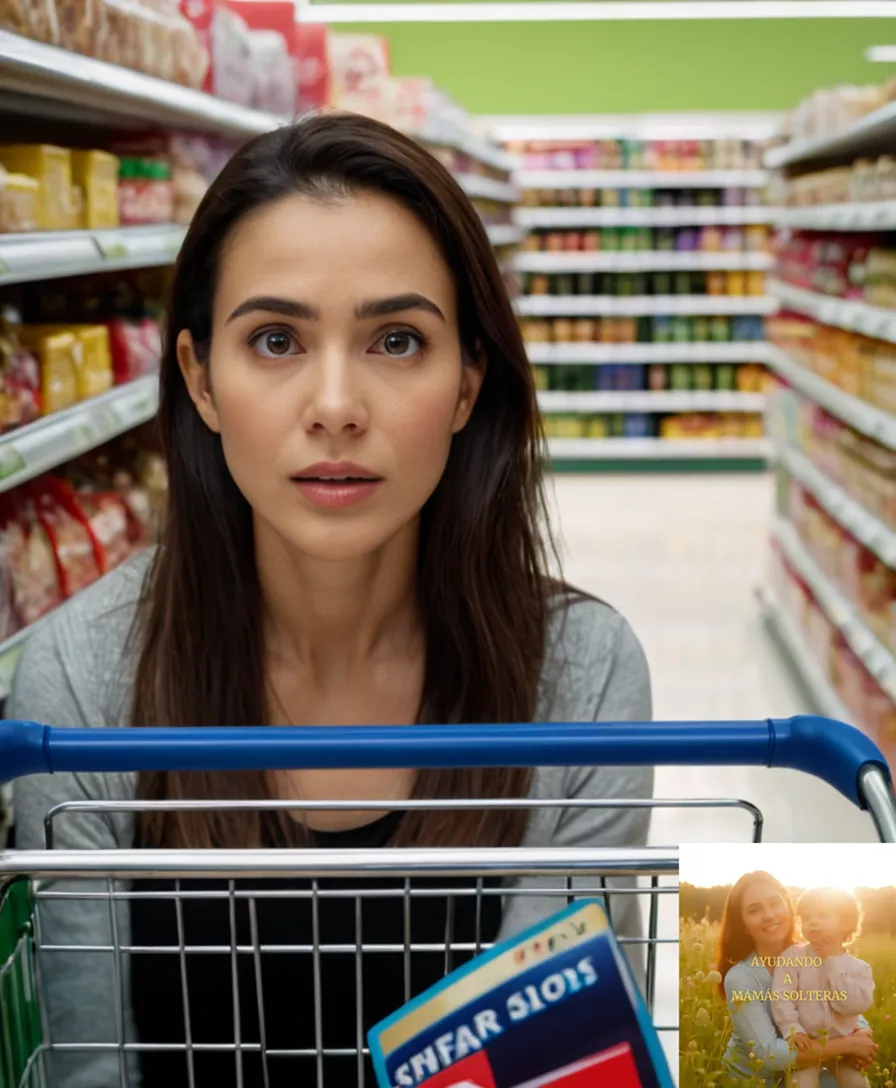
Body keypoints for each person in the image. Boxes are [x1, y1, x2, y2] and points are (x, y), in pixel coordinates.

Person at [9, 112, 653, 1088]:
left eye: (397, 340)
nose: (337, 403)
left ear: (469, 379)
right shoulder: (84, 676)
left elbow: (551, 1066)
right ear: (200, 379)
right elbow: (88, 1062)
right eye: (275, 339)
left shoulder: (580, 673)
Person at [717, 872, 878, 1085]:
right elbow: (768, 1054)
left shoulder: (816, 953)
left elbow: (839, 1003)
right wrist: (849, 1045)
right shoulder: (740, 978)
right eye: (754, 910)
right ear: (743, 925)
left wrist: (862, 1033)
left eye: (775, 903)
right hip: (758, 1080)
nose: (769, 915)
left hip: (812, 1064)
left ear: (788, 906)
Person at [771, 887, 874, 1088]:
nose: (813, 922)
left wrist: (833, 961)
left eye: (822, 915)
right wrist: (793, 1030)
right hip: (807, 1044)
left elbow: (852, 1006)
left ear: (845, 922)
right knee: (801, 1084)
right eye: (807, 917)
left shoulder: (859, 969)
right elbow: (781, 997)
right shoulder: (792, 958)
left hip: (844, 1048)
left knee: (858, 1083)